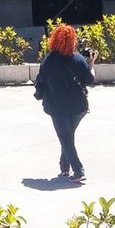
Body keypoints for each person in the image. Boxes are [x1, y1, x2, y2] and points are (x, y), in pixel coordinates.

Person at [34, 23, 96, 184]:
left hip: (57, 107)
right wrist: (91, 64)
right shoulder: (78, 59)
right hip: (78, 108)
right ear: (73, 41)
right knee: (67, 136)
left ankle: (78, 170)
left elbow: (40, 81)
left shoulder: (48, 60)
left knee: (65, 137)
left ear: (54, 39)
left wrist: (39, 93)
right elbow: (90, 79)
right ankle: (64, 168)